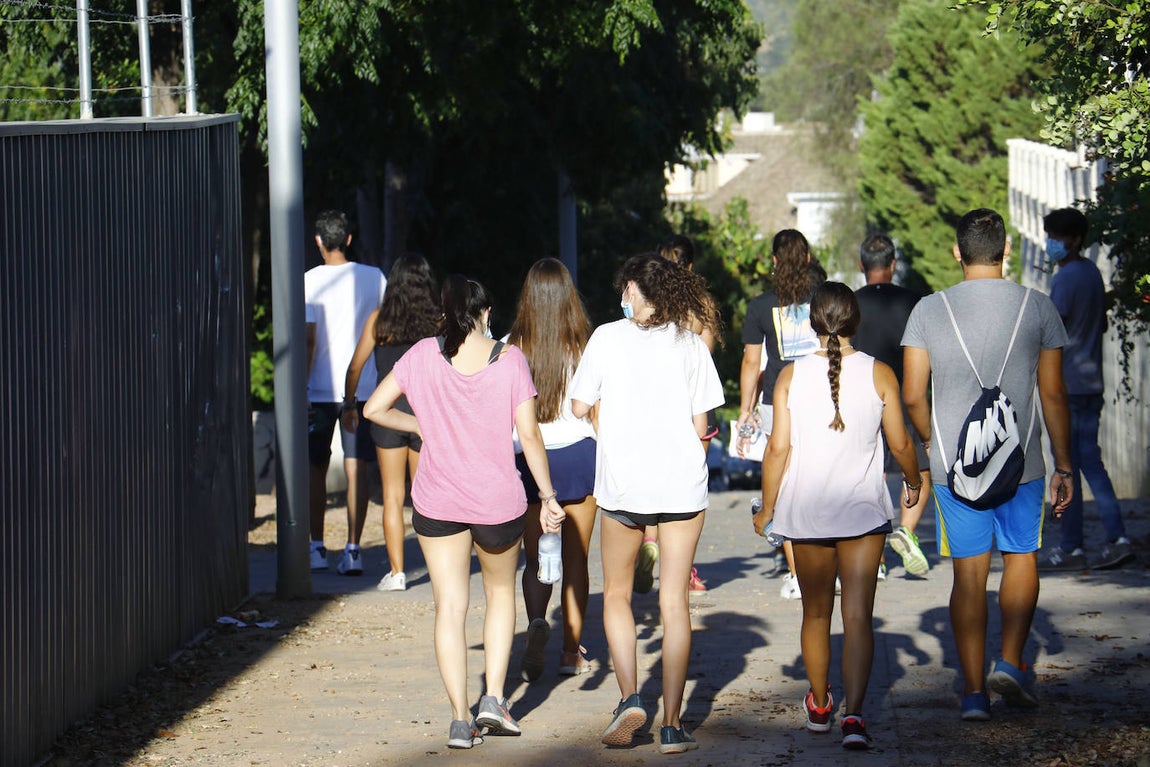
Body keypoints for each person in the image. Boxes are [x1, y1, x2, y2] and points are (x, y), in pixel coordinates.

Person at [364, 275, 565, 749]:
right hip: (497, 503)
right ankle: (494, 699)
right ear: (485, 313)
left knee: (449, 608)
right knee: (499, 595)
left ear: (444, 313)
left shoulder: (420, 355)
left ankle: (459, 719)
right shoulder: (509, 359)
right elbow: (530, 436)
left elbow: (374, 408)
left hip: (438, 501)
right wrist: (549, 496)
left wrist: (424, 425)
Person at [901, 208, 1073, 721]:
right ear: (1006, 251)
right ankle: (1012, 661)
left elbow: (912, 394)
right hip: (1022, 465)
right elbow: (1054, 393)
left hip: (957, 469)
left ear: (957, 252)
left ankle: (974, 692)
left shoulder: (929, 311)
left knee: (967, 576)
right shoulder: (1037, 307)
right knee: (1022, 557)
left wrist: (934, 444)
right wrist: (1064, 464)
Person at [753, 282, 920, 749]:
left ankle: (821, 705)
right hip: (863, 513)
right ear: (856, 321)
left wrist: (767, 509)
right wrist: (913, 481)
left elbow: (777, 449)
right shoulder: (880, 373)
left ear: (811, 322)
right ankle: (856, 718)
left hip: (805, 513)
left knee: (815, 614)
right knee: (859, 616)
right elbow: (902, 443)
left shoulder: (789, 377)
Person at [569, 254, 724, 755]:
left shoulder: (606, 338)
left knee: (617, 594)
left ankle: (630, 697)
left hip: (623, 486)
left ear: (631, 288)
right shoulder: (690, 343)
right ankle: (674, 725)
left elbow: (577, 406)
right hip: (681, 485)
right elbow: (704, 427)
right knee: (673, 601)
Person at [507, 258, 599, 681]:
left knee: (536, 558)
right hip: (579, 457)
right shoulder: (584, 346)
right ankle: (570, 652)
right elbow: (597, 413)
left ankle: (536, 622)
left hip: (528, 463)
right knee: (576, 561)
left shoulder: (509, 347)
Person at [1037, 208, 1132, 571]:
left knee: (1067, 466)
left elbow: (1050, 329)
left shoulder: (1065, 280)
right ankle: (1116, 537)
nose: (1051, 244)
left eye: (1056, 237)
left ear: (1074, 240)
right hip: (1091, 382)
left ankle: (1073, 546)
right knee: (1090, 462)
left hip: (1067, 386)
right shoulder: (1092, 274)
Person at [341, 254, 440, 591]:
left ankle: (397, 572)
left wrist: (349, 403)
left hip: (386, 413)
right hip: (425, 414)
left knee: (393, 495)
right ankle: (436, 565)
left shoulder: (379, 321)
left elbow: (355, 367)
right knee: (424, 495)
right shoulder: (437, 323)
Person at [736, 229, 823, 600]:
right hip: (823, 397)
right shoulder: (824, 298)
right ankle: (825, 566)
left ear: (773, 261)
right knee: (820, 482)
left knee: (785, 488)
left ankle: (798, 573)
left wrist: (745, 409)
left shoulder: (760, 306)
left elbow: (752, 361)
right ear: (807, 259)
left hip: (776, 401)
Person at [631, 234, 715, 595]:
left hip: (655, 410)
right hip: (694, 411)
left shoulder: (655, 302)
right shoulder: (703, 305)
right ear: (691, 266)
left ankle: (650, 538)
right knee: (688, 495)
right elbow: (704, 360)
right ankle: (684, 570)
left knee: (654, 483)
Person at [305, 210, 386, 575]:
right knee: (357, 468)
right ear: (349, 239)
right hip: (363, 387)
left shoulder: (308, 281)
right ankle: (353, 549)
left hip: (319, 389)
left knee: (314, 468)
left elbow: (308, 340)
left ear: (318, 241)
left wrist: (301, 387)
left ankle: (316, 546)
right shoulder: (374, 277)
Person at [853, 233, 932, 577]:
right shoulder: (916, 303)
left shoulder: (851, 304)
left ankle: (877, 556)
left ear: (861, 266)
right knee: (920, 468)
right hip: (905, 397)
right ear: (894, 264)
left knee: (872, 473)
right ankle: (907, 529)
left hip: (862, 398)